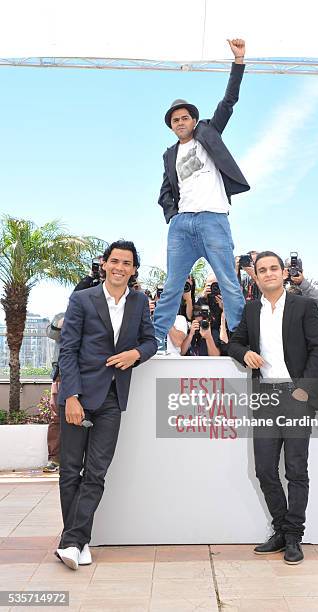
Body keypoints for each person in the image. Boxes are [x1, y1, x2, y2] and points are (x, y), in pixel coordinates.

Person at [56, 240, 157, 570]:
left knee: (96, 473)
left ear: (133, 269)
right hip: (79, 395)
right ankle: (76, 541)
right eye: (115, 261)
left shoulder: (139, 301)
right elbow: (68, 350)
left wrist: (136, 354)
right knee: (71, 471)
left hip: (113, 398)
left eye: (127, 263)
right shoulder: (82, 299)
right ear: (105, 264)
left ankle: (73, 540)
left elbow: (150, 340)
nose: (120, 267)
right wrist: (71, 396)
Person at [228, 251, 318, 564]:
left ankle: (293, 537)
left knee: (296, 469)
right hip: (265, 398)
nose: (269, 273)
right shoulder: (250, 310)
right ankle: (282, 529)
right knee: (264, 469)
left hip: (297, 396)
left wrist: (304, 387)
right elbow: (234, 342)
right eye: (262, 270)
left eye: (274, 268)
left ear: (284, 273)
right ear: (255, 277)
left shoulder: (304, 306)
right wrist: (244, 353)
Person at [153, 38, 250, 349]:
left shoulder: (208, 133)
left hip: (212, 220)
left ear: (193, 121)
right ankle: (154, 339)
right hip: (183, 225)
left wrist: (238, 62)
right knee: (171, 287)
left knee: (228, 282)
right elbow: (165, 190)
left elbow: (228, 102)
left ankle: (239, 338)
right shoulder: (169, 154)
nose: (180, 122)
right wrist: (173, 217)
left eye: (184, 118)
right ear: (171, 126)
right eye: (175, 120)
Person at [42, 312, 65, 473]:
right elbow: (52, 333)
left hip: (88, 374)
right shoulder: (63, 315)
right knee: (57, 417)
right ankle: (55, 458)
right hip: (61, 374)